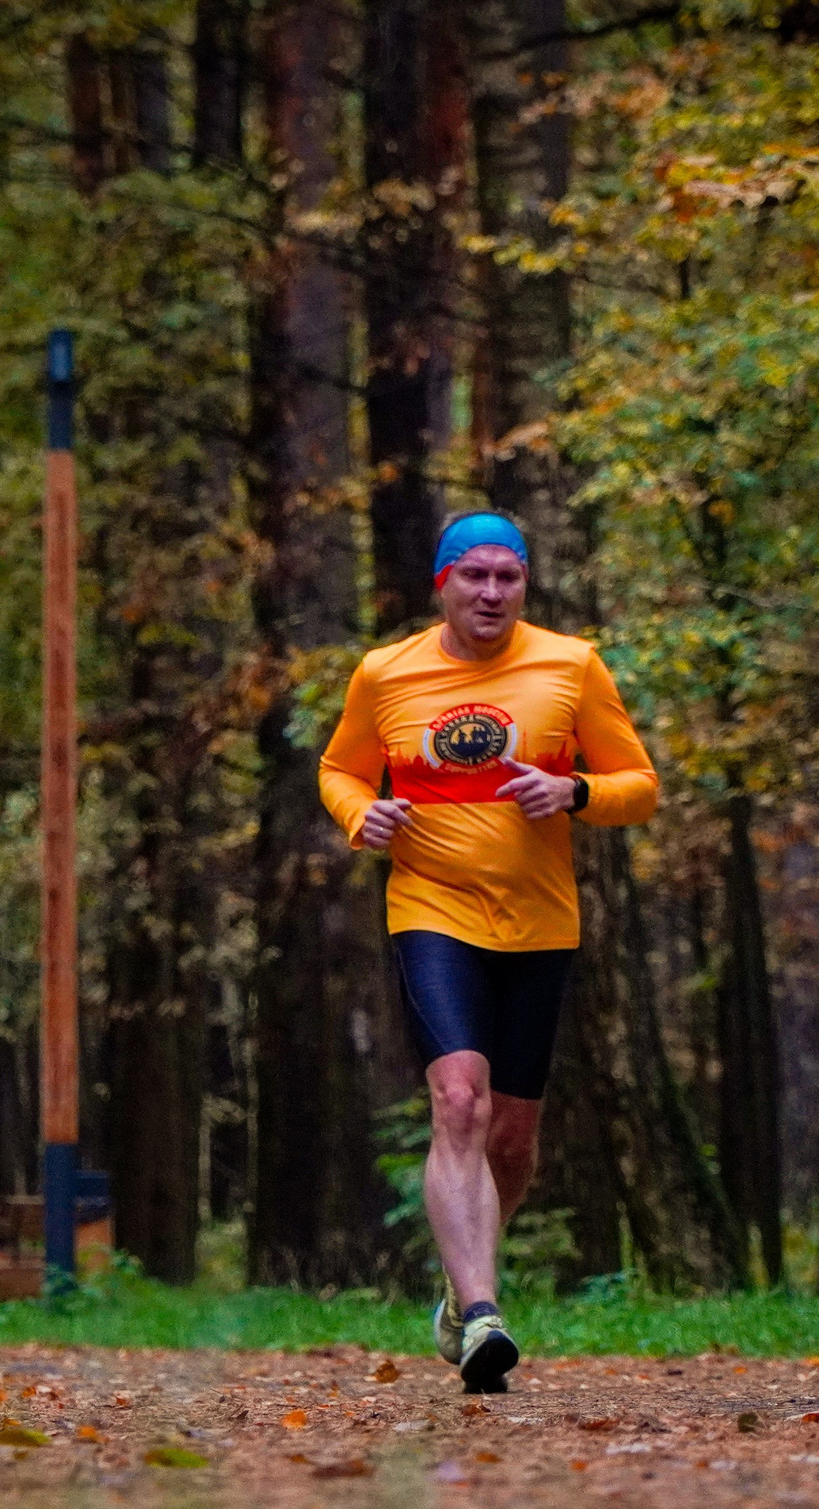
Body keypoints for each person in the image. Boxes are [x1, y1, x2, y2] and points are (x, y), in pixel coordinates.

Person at [317, 511, 659, 1393]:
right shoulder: (385, 673)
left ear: (526, 585)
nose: (493, 592)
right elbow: (340, 768)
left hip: (540, 921)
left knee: (511, 1141)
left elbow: (640, 786)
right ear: (443, 582)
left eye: (509, 577)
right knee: (458, 1098)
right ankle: (479, 1311)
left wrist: (574, 788)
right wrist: (365, 815)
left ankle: (456, 1279)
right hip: (431, 907)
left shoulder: (571, 665)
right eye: (475, 575)